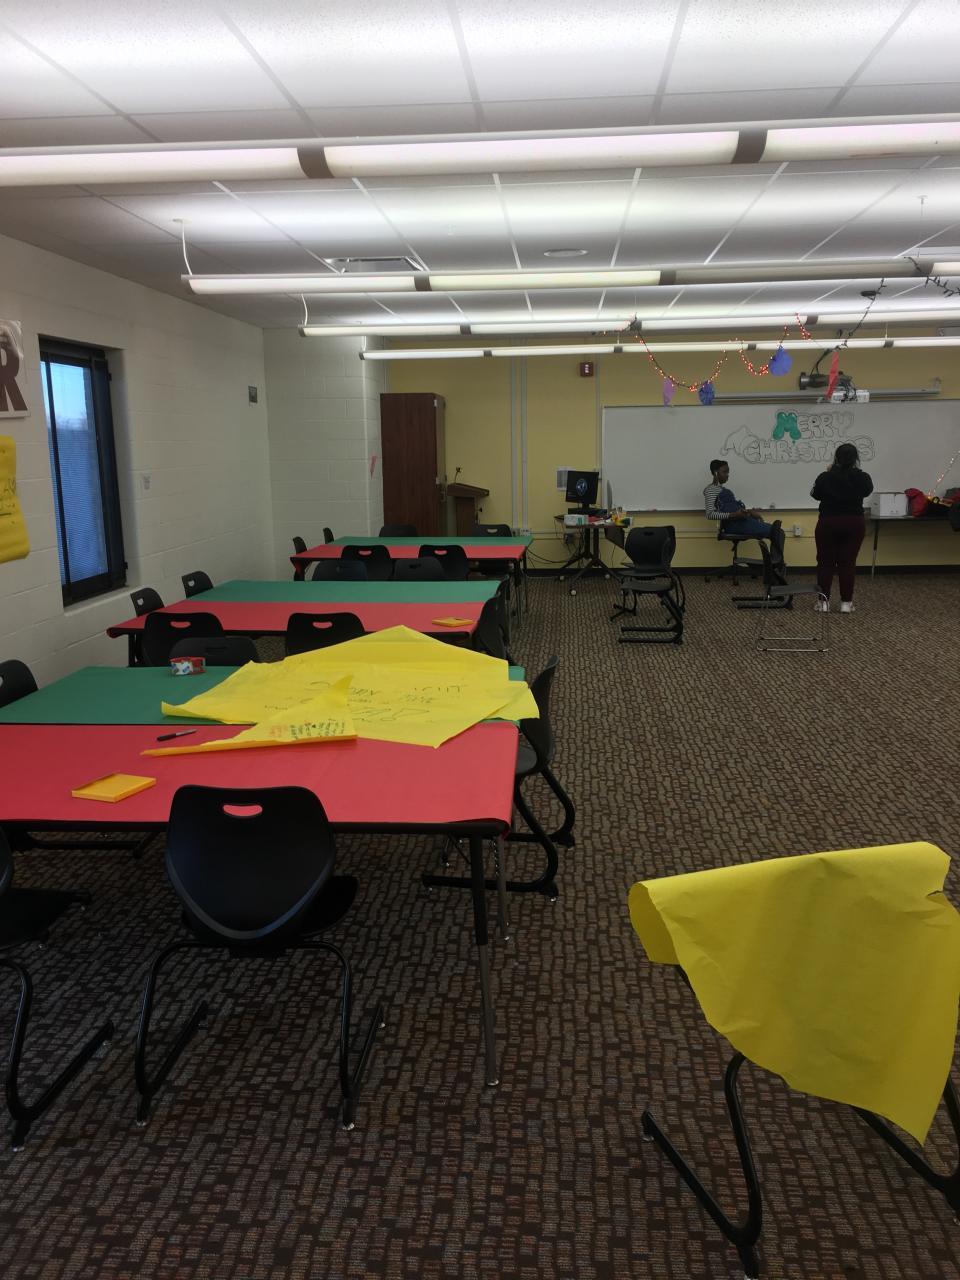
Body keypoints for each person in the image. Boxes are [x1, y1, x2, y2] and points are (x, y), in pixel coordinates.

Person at [811, 442, 873, 614]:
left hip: (828, 522)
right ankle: (846, 603)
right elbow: (867, 491)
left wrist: (831, 472)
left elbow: (815, 494)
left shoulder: (825, 477)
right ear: (856, 459)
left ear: (836, 458)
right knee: (848, 563)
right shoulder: (863, 477)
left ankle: (823, 603)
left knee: (825, 563)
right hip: (854, 522)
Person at [704, 459, 778, 540]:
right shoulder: (711, 490)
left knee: (777, 531)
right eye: (724, 472)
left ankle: (772, 548)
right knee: (776, 531)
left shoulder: (723, 490)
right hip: (733, 525)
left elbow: (733, 509)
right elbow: (710, 514)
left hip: (742, 522)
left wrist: (749, 512)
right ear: (715, 472)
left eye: (728, 472)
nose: (727, 475)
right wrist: (734, 515)